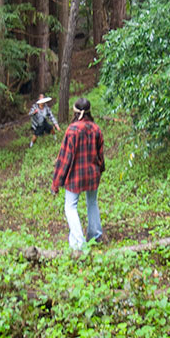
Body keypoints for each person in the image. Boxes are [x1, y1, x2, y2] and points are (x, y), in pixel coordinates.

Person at [51, 97, 105, 250]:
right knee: (92, 203)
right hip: (93, 174)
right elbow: (101, 156)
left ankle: (79, 242)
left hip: (75, 177)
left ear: (76, 112)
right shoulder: (96, 129)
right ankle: (95, 235)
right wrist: (99, 170)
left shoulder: (72, 130)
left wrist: (56, 184)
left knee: (70, 207)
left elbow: (64, 159)